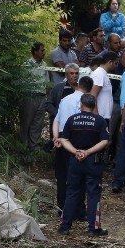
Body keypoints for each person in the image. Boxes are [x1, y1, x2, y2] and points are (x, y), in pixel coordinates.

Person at [57, 93, 109, 236]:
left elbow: (63, 139)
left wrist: (76, 152)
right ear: (94, 105)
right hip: (93, 161)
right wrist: (88, 152)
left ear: (81, 104)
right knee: (93, 195)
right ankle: (94, 228)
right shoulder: (99, 121)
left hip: (75, 161)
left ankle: (65, 227)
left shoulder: (72, 120)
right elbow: (105, 141)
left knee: (72, 193)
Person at [52, 74, 94, 215]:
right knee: (78, 176)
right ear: (90, 90)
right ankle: (78, 210)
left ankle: (61, 207)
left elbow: (56, 120)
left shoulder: (65, 99)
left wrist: (56, 137)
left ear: (78, 85)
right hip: (76, 141)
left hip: (62, 139)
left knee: (62, 175)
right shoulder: (84, 102)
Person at [19, 42, 49, 146]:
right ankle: (23, 145)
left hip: (41, 97)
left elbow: (47, 81)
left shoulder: (44, 65)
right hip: (29, 96)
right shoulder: (27, 64)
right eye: (42, 50)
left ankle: (34, 146)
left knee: (38, 123)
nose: (44, 52)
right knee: (26, 122)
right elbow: (22, 81)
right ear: (35, 52)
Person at [89, 50, 119, 124]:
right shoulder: (99, 74)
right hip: (99, 117)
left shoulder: (103, 73)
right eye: (116, 63)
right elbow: (92, 96)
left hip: (103, 117)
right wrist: (96, 116)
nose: (117, 65)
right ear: (110, 62)